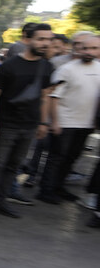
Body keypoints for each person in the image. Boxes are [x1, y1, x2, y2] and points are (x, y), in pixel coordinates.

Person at [0, 23, 56, 219]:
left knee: (14, 165)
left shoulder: (47, 67)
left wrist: (42, 122)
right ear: (28, 40)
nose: (45, 43)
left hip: (29, 126)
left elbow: (45, 96)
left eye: (49, 39)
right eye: (41, 39)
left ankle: (1, 201)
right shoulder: (9, 66)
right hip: (5, 124)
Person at [36, 33, 100, 203]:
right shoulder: (67, 69)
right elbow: (53, 96)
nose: (88, 51)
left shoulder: (99, 68)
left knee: (72, 157)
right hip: (65, 122)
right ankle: (46, 190)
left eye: (94, 48)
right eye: (85, 48)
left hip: (86, 123)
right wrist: (54, 121)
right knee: (57, 157)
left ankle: (58, 187)